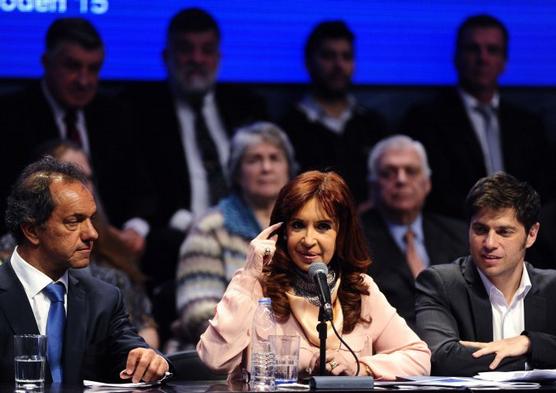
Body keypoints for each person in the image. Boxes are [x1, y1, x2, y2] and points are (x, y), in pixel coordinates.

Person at [198, 171, 430, 381]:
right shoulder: (258, 286)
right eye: (298, 225)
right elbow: (214, 359)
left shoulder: (359, 289)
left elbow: (418, 358)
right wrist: (249, 275)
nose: (309, 240)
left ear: (341, 234)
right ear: (282, 232)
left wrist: (361, 367)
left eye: (323, 226)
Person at [124, 8, 268, 338]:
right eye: (186, 49)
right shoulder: (139, 110)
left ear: (218, 56)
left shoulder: (247, 106)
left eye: (206, 50)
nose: (196, 59)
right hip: (173, 245)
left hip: (249, 237)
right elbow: (136, 189)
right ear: (167, 55)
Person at [0, 157, 169, 384]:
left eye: (91, 219)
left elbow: (134, 353)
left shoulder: (104, 298)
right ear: (32, 230)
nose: (92, 233)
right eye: (74, 221)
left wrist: (150, 360)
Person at [0, 17, 149, 252]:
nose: (84, 80)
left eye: (93, 69)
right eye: (72, 66)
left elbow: (141, 188)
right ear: (46, 62)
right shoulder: (9, 117)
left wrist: (135, 228)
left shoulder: (116, 115)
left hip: (107, 247)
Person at [402, 14, 555, 219]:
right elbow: (434, 193)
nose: (483, 58)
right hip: (455, 235)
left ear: (504, 61)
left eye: (492, 50)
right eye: (473, 49)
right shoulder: (425, 120)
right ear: (456, 57)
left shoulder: (529, 125)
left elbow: (543, 188)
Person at [415, 172, 556, 376]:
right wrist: (534, 358)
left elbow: (461, 359)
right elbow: (442, 358)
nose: (489, 243)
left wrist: (529, 343)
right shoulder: (440, 284)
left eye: (504, 232)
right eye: (480, 230)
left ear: (531, 234)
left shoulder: (552, 287)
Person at [171, 122, 295, 352]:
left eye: (275, 158)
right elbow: (198, 312)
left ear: (288, 169)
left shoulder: (301, 230)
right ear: (237, 173)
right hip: (217, 360)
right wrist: (272, 338)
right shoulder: (210, 228)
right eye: (254, 160)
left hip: (291, 355)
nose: (266, 167)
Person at [360, 135, 467, 326]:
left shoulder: (459, 235)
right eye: (388, 173)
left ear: (427, 183)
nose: (401, 180)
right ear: (373, 185)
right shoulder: (354, 241)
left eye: (411, 171)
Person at [281, 20, 387, 204]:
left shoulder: (374, 125)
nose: (339, 65)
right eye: (329, 56)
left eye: (346, 57)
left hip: (370, 228)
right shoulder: (288, 129)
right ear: (308, 61)